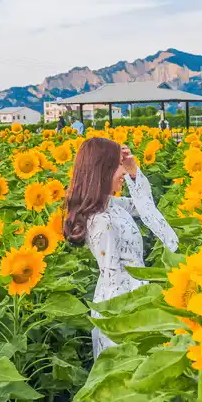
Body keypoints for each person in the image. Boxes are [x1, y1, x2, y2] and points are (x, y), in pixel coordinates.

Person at [64, 138, 179, 358]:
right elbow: (113, 277)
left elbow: (143, 205)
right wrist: (134, 313)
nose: (123, 172)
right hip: (122, 305)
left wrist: (134, 170)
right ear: (103, 170)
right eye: (118, 166)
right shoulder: (100, 220)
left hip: (134, 294)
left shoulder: (111, 205)